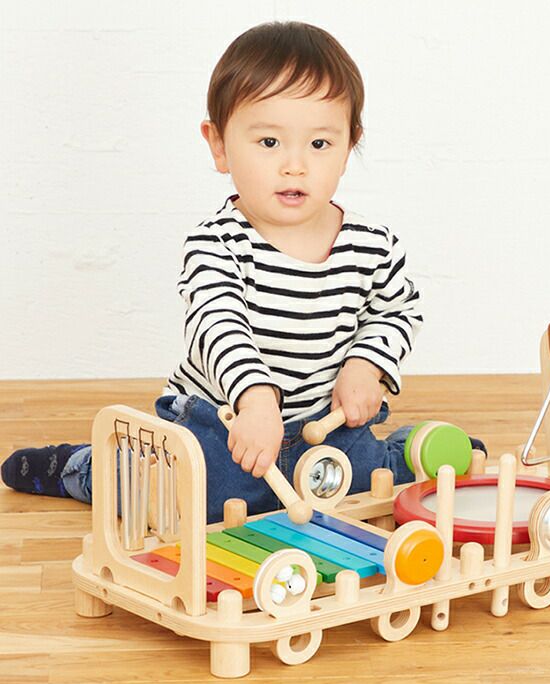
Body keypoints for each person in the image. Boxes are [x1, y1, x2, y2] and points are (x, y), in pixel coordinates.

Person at [1, 21, 485, 523]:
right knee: (189, 498)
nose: (295, 165)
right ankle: (85, 467)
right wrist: (254, 399)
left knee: (361, 481)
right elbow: (218, 324)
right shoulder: (216, 243)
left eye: (320, 144)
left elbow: (398, 312)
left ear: (349, 145)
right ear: (219, 145)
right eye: (269, 142)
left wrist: (366, 365)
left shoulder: (373, 244)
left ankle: (405, 452)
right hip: (224, 425)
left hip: (324, 427)